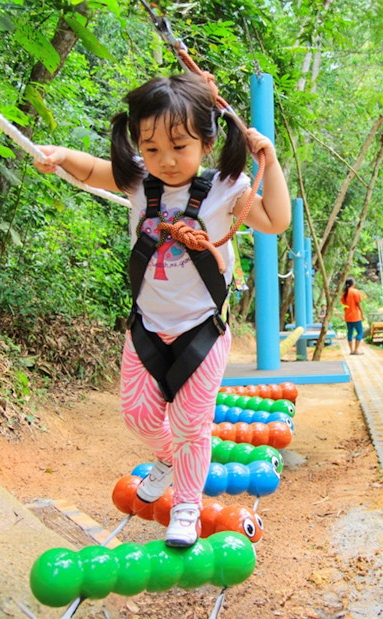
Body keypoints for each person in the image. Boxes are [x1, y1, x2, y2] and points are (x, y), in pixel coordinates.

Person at [34, 72, 291, 547]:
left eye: (179, 146)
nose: (166, 161)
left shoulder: (227, 188)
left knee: (193, 423)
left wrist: (269, 162)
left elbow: (276, 220)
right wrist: (61, 157)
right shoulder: (138, 180)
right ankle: (169, 457)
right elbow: (91, 170)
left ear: (207, 141)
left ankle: (187, 506)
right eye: (151, 149)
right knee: (138, 417)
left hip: (202, 332)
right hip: (147, 329)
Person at [340, 277, 364, 355]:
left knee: (350, 333)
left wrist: (345, 314)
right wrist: (362, 314)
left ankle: (351, 350)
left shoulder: (344, 293)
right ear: (353, 284)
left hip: (348, 316)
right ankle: (356, 350)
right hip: (356, 316)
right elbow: (358, 304)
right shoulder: (355, 292)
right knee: (360, 332)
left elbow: (343, 306)